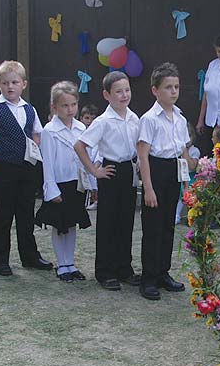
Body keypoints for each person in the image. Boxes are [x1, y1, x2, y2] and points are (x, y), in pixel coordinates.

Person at [0, 61, 52, 276]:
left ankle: (29, 256)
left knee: (26, 212)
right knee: (3, 214)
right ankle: (0, 260)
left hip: (27, 168)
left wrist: (32, 147)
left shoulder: (29, 109)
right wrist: (1, 151)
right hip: (5, 168)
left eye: (14, 82)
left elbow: (37, 133)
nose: (10, 86)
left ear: (24, 84)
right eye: (5, 83)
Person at [75, 71, 140, 291]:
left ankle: (124, 268)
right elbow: (80, 146)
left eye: (127, 90)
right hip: (110, 171)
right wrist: (95, 171)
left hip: (129, 171)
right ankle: (105, 271)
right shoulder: (102, 121)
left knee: (126, 222)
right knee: (108, 223)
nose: (124, 95)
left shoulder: (134, 118)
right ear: (107, 95)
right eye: (118, 92)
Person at [137, 62, 190, 300]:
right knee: (153, 228)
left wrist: (187, 182)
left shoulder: (179, 117)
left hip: (173, 172)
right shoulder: (149, 119)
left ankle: (162, 272)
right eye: (168, 87)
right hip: (155, 170)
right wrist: (148, 188)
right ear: (155, 90)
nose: (173, 91)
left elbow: (183, 153)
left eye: (176, 87)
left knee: (168, 225)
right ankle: (148, 277)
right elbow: (143, 155)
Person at [34, 81, 91, 283]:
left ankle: (71, 263)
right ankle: (61, 264)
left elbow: (86, 158)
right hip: (59, 184)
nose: (70, 109)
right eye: (65, 106)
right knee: (60, 226)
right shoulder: (49, 131)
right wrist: (51, 189)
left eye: (73, 105)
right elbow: (47, 162)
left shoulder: (81, 128)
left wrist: (90, 183)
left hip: (76, 184)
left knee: (72, 224)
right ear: (54, 107)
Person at [175, 123, 200, 224]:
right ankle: (176, 214)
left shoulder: (195, 150)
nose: (187, 139)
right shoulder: (176, 149)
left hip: (190, 178)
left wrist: (185, 153)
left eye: (189, 136)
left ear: (193, 136)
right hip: (178, 176)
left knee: (189, 194)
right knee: (178, 193)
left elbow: (192, 166)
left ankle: (192, 216)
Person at [79, 104, 100, 210]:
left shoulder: (98, 132)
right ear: (81, 118)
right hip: (82, 163)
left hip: (95, 163)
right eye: (87, 118)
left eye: (93, 119)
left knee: (95, 172)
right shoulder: (79, 132)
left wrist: (96, 163)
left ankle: (96, 199)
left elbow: (100, 150)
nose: (89, 121)